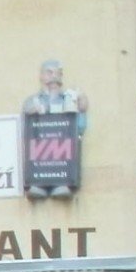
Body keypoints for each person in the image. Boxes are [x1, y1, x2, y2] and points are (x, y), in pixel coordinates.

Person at [22, 60, 87, 198]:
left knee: (61, 163)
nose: (54, 76)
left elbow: (79, 123)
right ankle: (38, 185)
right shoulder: (33, 100)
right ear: (41, 76)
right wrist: (34, 110)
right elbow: (27, 122)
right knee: (41, 163)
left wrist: (81, 103)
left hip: (61, 149)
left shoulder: (67, 99)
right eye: (49, 72)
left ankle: (61, 184)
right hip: (40, 150)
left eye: (58, 73)